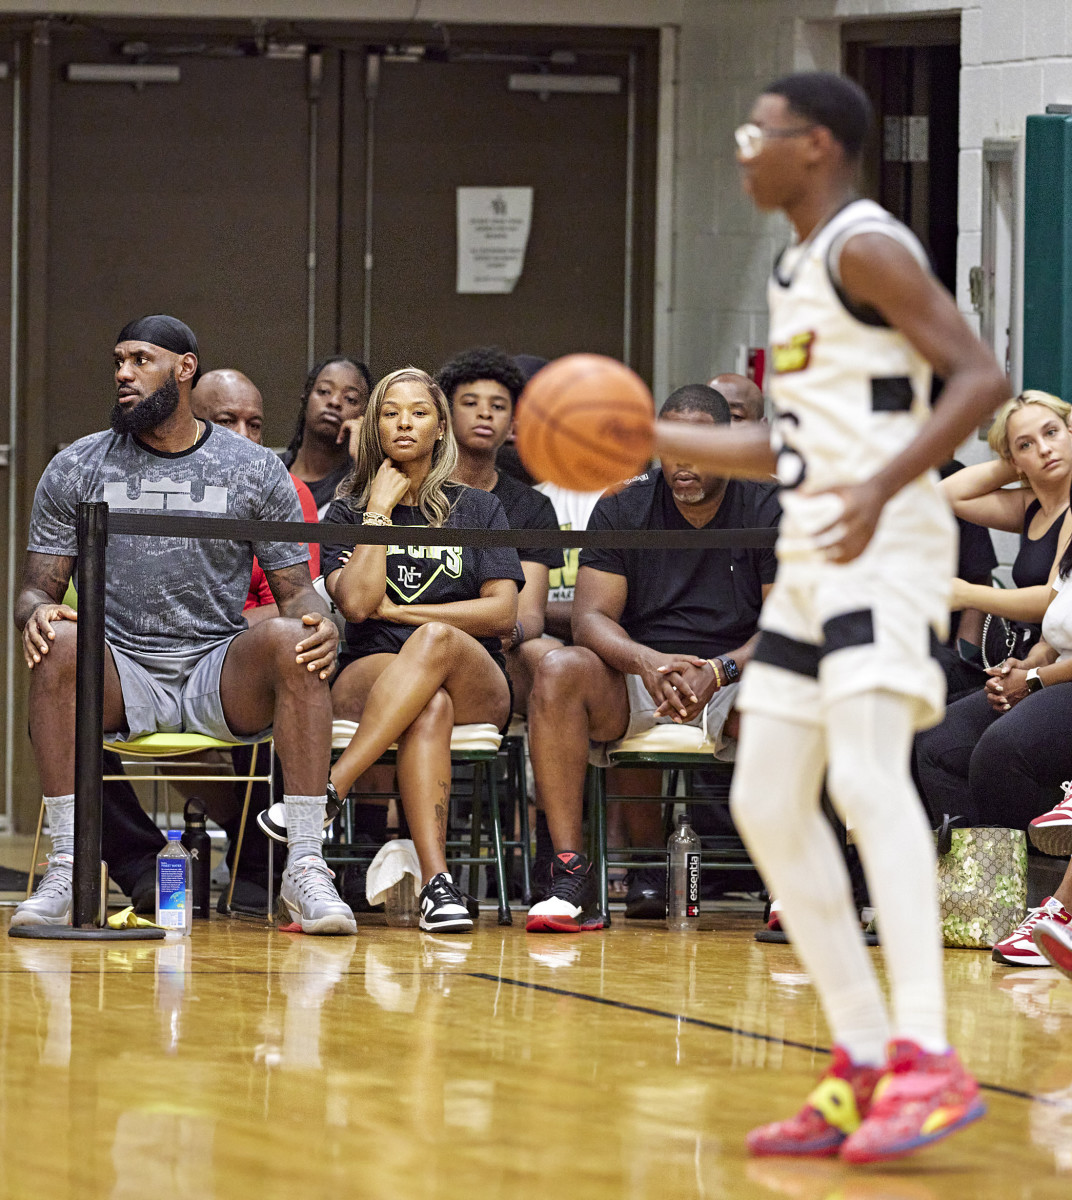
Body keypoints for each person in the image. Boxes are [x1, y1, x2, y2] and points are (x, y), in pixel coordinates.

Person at [649, 75, 1007, 1161]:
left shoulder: (866, 245)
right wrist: (649, 439)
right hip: (811, 553)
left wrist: (879, 483)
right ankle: (858, 1062)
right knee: (764, 793)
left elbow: (980, 376)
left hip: (884, 543)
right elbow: (786, 445)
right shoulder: (796, 263)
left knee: (859, 776)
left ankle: (928, 1055)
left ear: (812, 146)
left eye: (755, 130)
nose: (740, 146)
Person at [15, 314, 355, 936]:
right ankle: (66, 864)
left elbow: (295, 589)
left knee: (296, 638)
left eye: (142, 360)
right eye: (119, 360)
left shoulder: (252, 470)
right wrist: (35, 611)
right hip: (122, 671)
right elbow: (36, 588)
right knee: (59, 641)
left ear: (184, 369)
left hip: (215, 670)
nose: (124, 373)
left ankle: (305, 865)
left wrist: (323, 619)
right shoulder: (77, 465)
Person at [525, 383, 779, 930]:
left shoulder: (769, 504)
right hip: (641, 673)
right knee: (558, 667)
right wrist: (645, 661)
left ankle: (789, 881)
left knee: (794, 684)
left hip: (738, 674)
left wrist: (720, 670)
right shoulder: (624, 503)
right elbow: (592, 617)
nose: (682, 463)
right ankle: (569, 875)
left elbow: (787, 624)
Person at [319, 367, 525, 933]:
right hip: (373, 671)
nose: (404, 422)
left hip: (473, 677)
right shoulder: (345, 513)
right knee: (428, 705)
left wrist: (405, 613)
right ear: (374, 429)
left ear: (440, 429)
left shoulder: (479, 510)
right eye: (389, 412)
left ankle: (330, 788)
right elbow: (359, 606)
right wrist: (379, 512)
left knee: (434, 642)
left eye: (418, 412)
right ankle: (440, 884)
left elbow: (502, 614)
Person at [914, 535, 1072, 967]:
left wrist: (1037, 679)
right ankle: (977, 896)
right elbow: (1052, 633)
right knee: (937, 742)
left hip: (1063, 682)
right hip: (1049, 672)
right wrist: (1020, 667)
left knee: (999, 750)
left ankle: (1040, 899)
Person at [437, 346, 561, 710]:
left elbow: (531, 612)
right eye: (471, 402)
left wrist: (509, 634)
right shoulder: (414, 490)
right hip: (418, 635)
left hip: (502, 646)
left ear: (512, 424)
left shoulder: (533, 506)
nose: (485, 412)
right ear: (445, 415)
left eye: (499, 405)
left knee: (551, 656)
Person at [192, 368, 320, 618]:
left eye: (254, 425)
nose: (243, 436)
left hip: (248, 645)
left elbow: (293, 604)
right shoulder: (167, 483)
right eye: (226, 421)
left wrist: (214, 639)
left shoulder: (287, 490)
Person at [281, 355, 372, 517]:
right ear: (305, 400)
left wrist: (364, 462)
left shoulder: (363, 483)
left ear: (365, 415)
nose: (335, 402)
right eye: (324, 391)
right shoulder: (271, 470)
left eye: (350, 399)